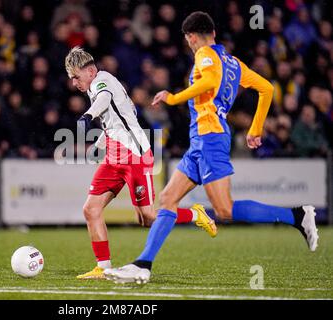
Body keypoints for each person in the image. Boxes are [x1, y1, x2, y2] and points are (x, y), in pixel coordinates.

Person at [104, 12, 319, 284]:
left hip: (209, 138)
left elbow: (207, 81)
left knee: (225, 210)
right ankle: (143, 264)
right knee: (168, 199)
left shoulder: (204, 55)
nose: (189, 44)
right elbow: (266, 88)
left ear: (191, 37)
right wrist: (256, 128)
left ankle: (297, 215)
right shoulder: (233, 63)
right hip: (202, 141)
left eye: (188, 40)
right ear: (213, 33)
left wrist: (174, 98)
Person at [64, 47, 217, 280]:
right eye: (72, 78)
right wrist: (101, 141)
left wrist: (87, 115)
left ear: (91, 70)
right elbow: (124, 116)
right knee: (91, 209)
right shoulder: (102, 85)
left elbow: (104, 101)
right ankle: (103, 267)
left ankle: (196, 215)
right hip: (115, 157)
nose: (74, 82)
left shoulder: (101, 82)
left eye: (76, 76)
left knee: (147, 218)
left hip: (134, 155)